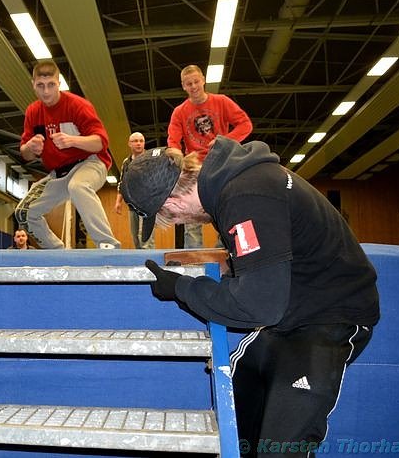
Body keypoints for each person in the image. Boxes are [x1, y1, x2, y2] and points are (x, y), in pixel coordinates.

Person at [120, 139, 379, 457]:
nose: (178, 222)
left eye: (168, 218)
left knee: (278, 448)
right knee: (237, 427)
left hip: (331, 317)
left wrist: (181, 289)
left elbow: (257, 305)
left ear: (170, 204)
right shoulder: (230, 189)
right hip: (292, 312)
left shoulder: (245, 196)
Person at [14, 59, 120, 249]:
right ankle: (58, 252)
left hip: (91, 163)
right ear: (33, 85)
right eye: (41, 86)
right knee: (25, 212)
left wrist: (73, 140)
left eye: (51, 85)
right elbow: (26, 155)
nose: (46, 91)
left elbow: (101, 142)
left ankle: (107, 245)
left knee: (78, 187)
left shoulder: (77, 105)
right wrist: (30, 147)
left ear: (59, 83)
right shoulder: (33, 112)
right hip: (59, 173)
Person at [167, 64, 252, 248]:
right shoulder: (179, 112)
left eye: (196, 82)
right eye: (189, 84)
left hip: (222, 164)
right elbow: (173, 140)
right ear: (183, 86)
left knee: (226, 208)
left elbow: (245, 124)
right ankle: (194, 258)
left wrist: (225, 140)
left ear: (203, 80)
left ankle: (227, 250)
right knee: (191, 217)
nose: (194, 86)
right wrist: (176, 154)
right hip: (196, 168)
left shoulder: (221, 101)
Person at [114, 132, 155, 249]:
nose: (138, 144)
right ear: (129, 144)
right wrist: (118, 201)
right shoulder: (126, 163)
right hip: (132, 205)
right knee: (135, 237)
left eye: (141, 141)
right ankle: (140, 261)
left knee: (145, 237)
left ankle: (149, 260)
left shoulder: (151, 159)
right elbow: (122, 182)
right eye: (135, 141)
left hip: (148, 204)